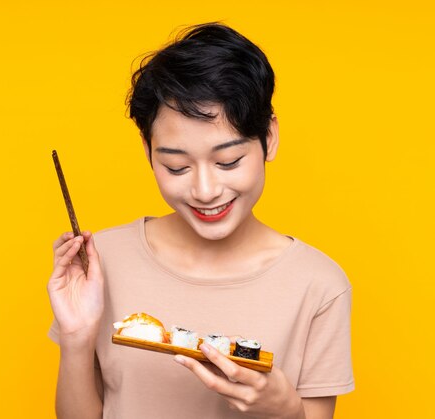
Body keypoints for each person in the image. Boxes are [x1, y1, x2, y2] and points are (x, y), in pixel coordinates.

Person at [47, 22, 354, 419]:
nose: (205, 190)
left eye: (228, 161)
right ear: (148, 151)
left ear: (269, 137)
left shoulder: (320, 285)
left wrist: (286, 410)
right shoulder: (101, 263)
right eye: (176, 167)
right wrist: (76, 337)